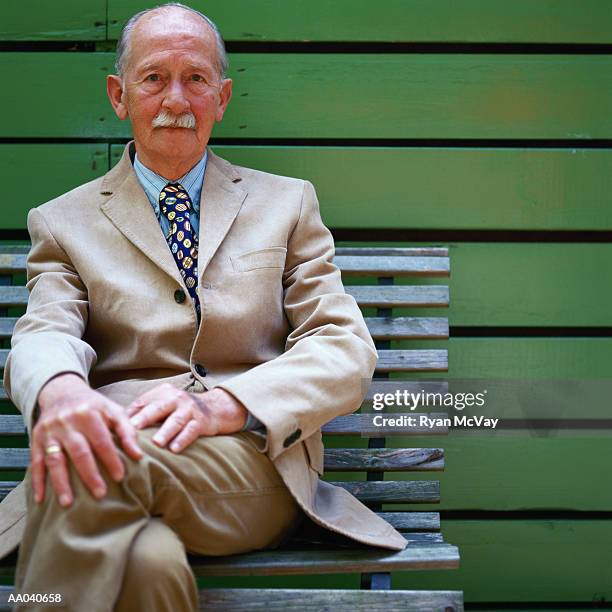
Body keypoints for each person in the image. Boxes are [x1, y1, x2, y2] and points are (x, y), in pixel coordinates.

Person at [0, 3, 407, 610]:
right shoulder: (62, 222)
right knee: (147, 565)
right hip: (117, 444)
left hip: (246, 463)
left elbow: (342, 345)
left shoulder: (287, 205)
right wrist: (59, 391)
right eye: (154, 77)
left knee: (94, 464)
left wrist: (228, 404)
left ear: (221, 97)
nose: (175, 98)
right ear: (119, 95)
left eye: (195, 78)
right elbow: (45, 329)